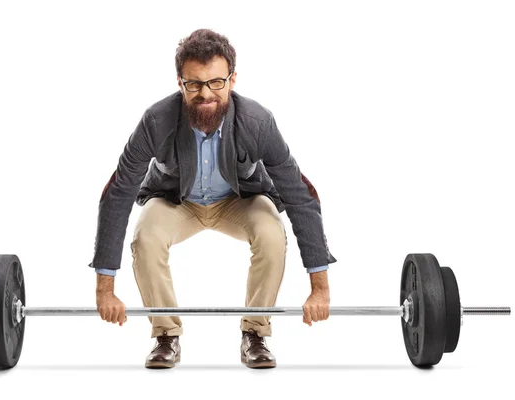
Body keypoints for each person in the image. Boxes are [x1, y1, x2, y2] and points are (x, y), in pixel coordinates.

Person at [89, 28, 337, 369]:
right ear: (180, 83)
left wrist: (319, 288)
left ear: (232, 80)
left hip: (240, 200)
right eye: (194, 84)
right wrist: (105, 289)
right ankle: (166, 336)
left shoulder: (258, 122)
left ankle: (255, 333)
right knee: (146, 237)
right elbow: (117, 193)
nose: (206, 93)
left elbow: (300, 195)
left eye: (216, 82)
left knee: (270, 231)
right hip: (177, 200)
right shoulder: (156, 121)